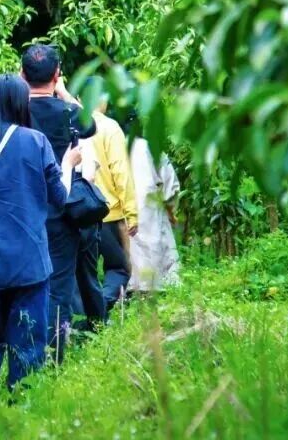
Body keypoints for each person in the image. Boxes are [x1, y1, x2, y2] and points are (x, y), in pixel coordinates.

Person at [0, 74, 81, 433]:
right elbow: (59, 198)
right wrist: (68, 165)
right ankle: (20, 410)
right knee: (28, 338)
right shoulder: (36, 142)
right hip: (29, 263)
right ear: (21, 103)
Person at [19, 44, 104, 355]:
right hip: (60, 209)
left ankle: (22, 348)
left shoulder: (14, 113)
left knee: (21, 282)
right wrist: (65, 93)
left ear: (21, 74)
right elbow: (90, 125)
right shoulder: (67, 112)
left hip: (20, 209)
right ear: (57, 75)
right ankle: (54, 355)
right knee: (58, 285)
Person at [88, 97, 137, 311]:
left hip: (77, 212)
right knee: (119, 268)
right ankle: (100, 309)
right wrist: (131, 212)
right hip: (108, 213)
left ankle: (81, 318)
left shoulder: (68, 122)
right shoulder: (109, 127)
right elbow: (120, 172)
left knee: (82, 271)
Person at [127, 137, 181, 293]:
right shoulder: (150, 146)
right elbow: (170, 183)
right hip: (150, 206)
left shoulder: (115, 141)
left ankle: (134, 288)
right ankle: (161, 288)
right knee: (159, 247)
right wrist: (171, 211)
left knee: (132, 249)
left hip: (124, 208)